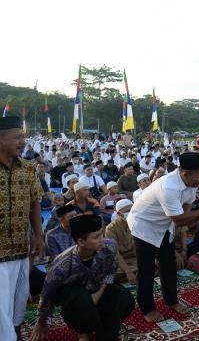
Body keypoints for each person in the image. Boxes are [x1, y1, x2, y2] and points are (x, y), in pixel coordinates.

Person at [127, 151, 199, 322]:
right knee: (147, 269)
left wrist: (193, 214)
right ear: (185, 173)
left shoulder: (191, 182)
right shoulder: (168, 187)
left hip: (165, 224)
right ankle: (147, 309)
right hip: (144, 225)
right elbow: (180, 219)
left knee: (168, 264)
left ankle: (171, 300)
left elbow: (185, 210)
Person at [31, 215, 135, 341]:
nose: (102, 239)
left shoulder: (110, 247)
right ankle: (83, 332)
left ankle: (103, 329)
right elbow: (47, 293)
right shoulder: (62, 264)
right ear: (81, 242)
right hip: (74, 298)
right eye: (96, 236)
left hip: (97, 287)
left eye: (102, 234)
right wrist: (41, 321)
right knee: (81, 300)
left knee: (124, 299)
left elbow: (109, 273)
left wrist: (97, 295)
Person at [0, 116, 45, 341]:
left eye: (22, 136)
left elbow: (35, 202)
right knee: (1, 310)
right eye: (16, 137)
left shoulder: (27, 168)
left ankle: (16, 335)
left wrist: (38, 235)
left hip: (20, 248)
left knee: (18, 305)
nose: (22, 141)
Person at [105, 199, 137, 284]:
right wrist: (127, 271)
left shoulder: (136, 223)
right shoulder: (111, 228)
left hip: (135, 260)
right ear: (119, 213)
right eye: (127, 211)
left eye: (132, 210)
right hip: (119, 263)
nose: (131, 213)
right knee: (111, 274)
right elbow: (115, 253)